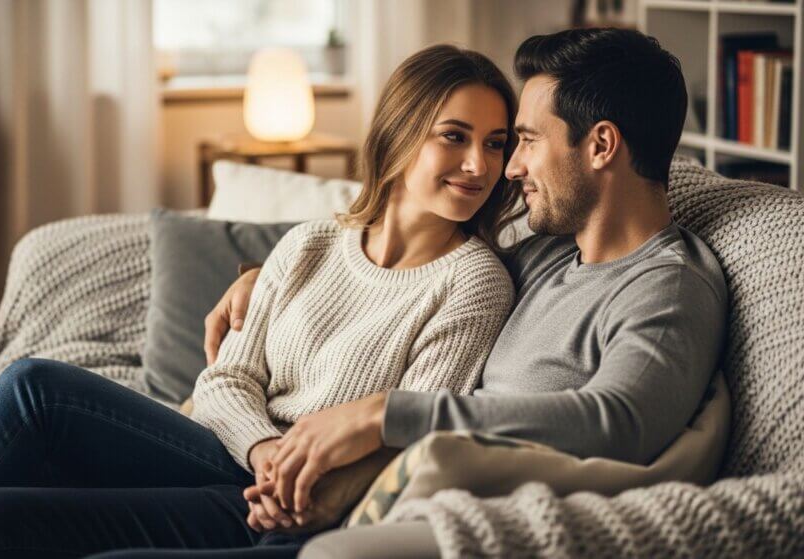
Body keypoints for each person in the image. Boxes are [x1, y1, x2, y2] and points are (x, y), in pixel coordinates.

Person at [0, 44, 521, 559]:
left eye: (496, 144)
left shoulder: (473, 281)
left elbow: (414, 429)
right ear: (402, 134)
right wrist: (262, 444)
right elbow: (227, 377)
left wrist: (288, 474)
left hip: (279, 501)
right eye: (455, 136)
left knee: (28, 401)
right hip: (231, 451)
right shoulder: (312, 243)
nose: (479, 165)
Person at [208, 27, 728, 556]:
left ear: (600, 146)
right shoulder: (550, 251)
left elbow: (619, 422)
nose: (510, 168)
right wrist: (258, 277)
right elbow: (408, 257)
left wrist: (385, 413)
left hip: (428, 514)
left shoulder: (667, 287)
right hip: (351, 488)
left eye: (522, 140)